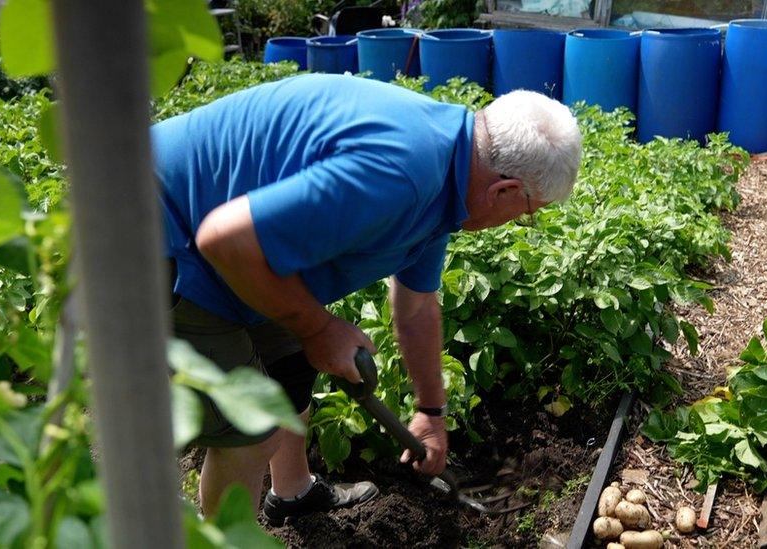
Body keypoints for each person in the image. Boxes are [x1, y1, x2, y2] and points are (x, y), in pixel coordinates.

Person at [151, 73, 581, 525]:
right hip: (162, 230)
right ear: (506, 191)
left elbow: (416, 304)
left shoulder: (451, 165)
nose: (519, 222)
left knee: (291, 365)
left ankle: (292, 494)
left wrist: (431, 411)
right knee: (251, 427)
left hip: (240, 238)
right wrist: (319, 328)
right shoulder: (400, 175)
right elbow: (225, 240)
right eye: (529, 215)